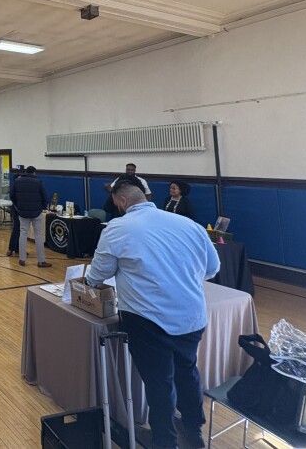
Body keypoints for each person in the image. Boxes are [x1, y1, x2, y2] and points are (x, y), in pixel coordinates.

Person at [87, 176, 219, 449]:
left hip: (148, 321)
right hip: (191, 317)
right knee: (187, 371)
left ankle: (165, 440)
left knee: (160, 383)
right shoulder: (189, 225)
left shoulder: (118, 228)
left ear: (122, 200)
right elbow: (212, 269)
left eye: (116, 202)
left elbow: (96, 275)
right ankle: (194, 430)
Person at [10, 166, 50, 268]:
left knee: (23, 234)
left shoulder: (17, 182)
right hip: (36, 212)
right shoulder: (38, 182)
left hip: (22, 212)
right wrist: (42, 208)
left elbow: (12, 196)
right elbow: (45, 197)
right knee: (39, 236)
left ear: (25, 172)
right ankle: (41, 261)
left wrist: (18, 206)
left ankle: (22, 258)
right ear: (34, 173)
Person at [6, 168, 24, 257]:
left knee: (21, 230)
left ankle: (18, 249)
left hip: (22, 211)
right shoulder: (14, 188)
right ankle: (11, 248)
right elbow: (13, 199)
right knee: (16, 229)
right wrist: (18, 209)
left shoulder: (22, 188)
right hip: (16, 210)